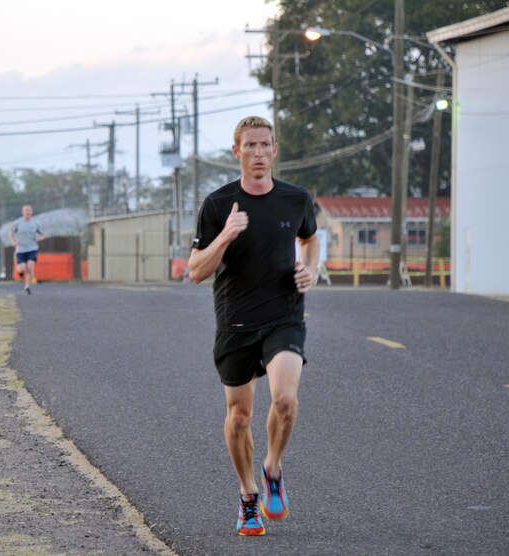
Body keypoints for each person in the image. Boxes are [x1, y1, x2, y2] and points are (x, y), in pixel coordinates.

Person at [187, 116, 319, 537]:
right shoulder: (217, 204)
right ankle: (248, 497)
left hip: (284, 315)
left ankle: (273, 467)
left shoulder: (296, 199)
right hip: (235, 321)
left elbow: (309, 239)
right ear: (237, 152)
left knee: (284, 399)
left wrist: (311, 270)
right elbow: (195, 271)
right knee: (239, 418)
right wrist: (224, 235)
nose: (258, 153)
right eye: (250, 146)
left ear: (275, 150)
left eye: (265, 145)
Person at [8, 204, 45, 294]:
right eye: (26, 210)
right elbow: (10, 233)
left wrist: (40, 237)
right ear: (23, 212)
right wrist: (13, 241)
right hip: (21, 249)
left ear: (31, 212)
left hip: (32, 248)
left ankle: (27, 286)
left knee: (30, 267)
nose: (27, 212)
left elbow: (43, 234)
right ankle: (20, 272)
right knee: (22, 268)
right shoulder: (18, 223)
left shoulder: (35, 223)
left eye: (29, 211)